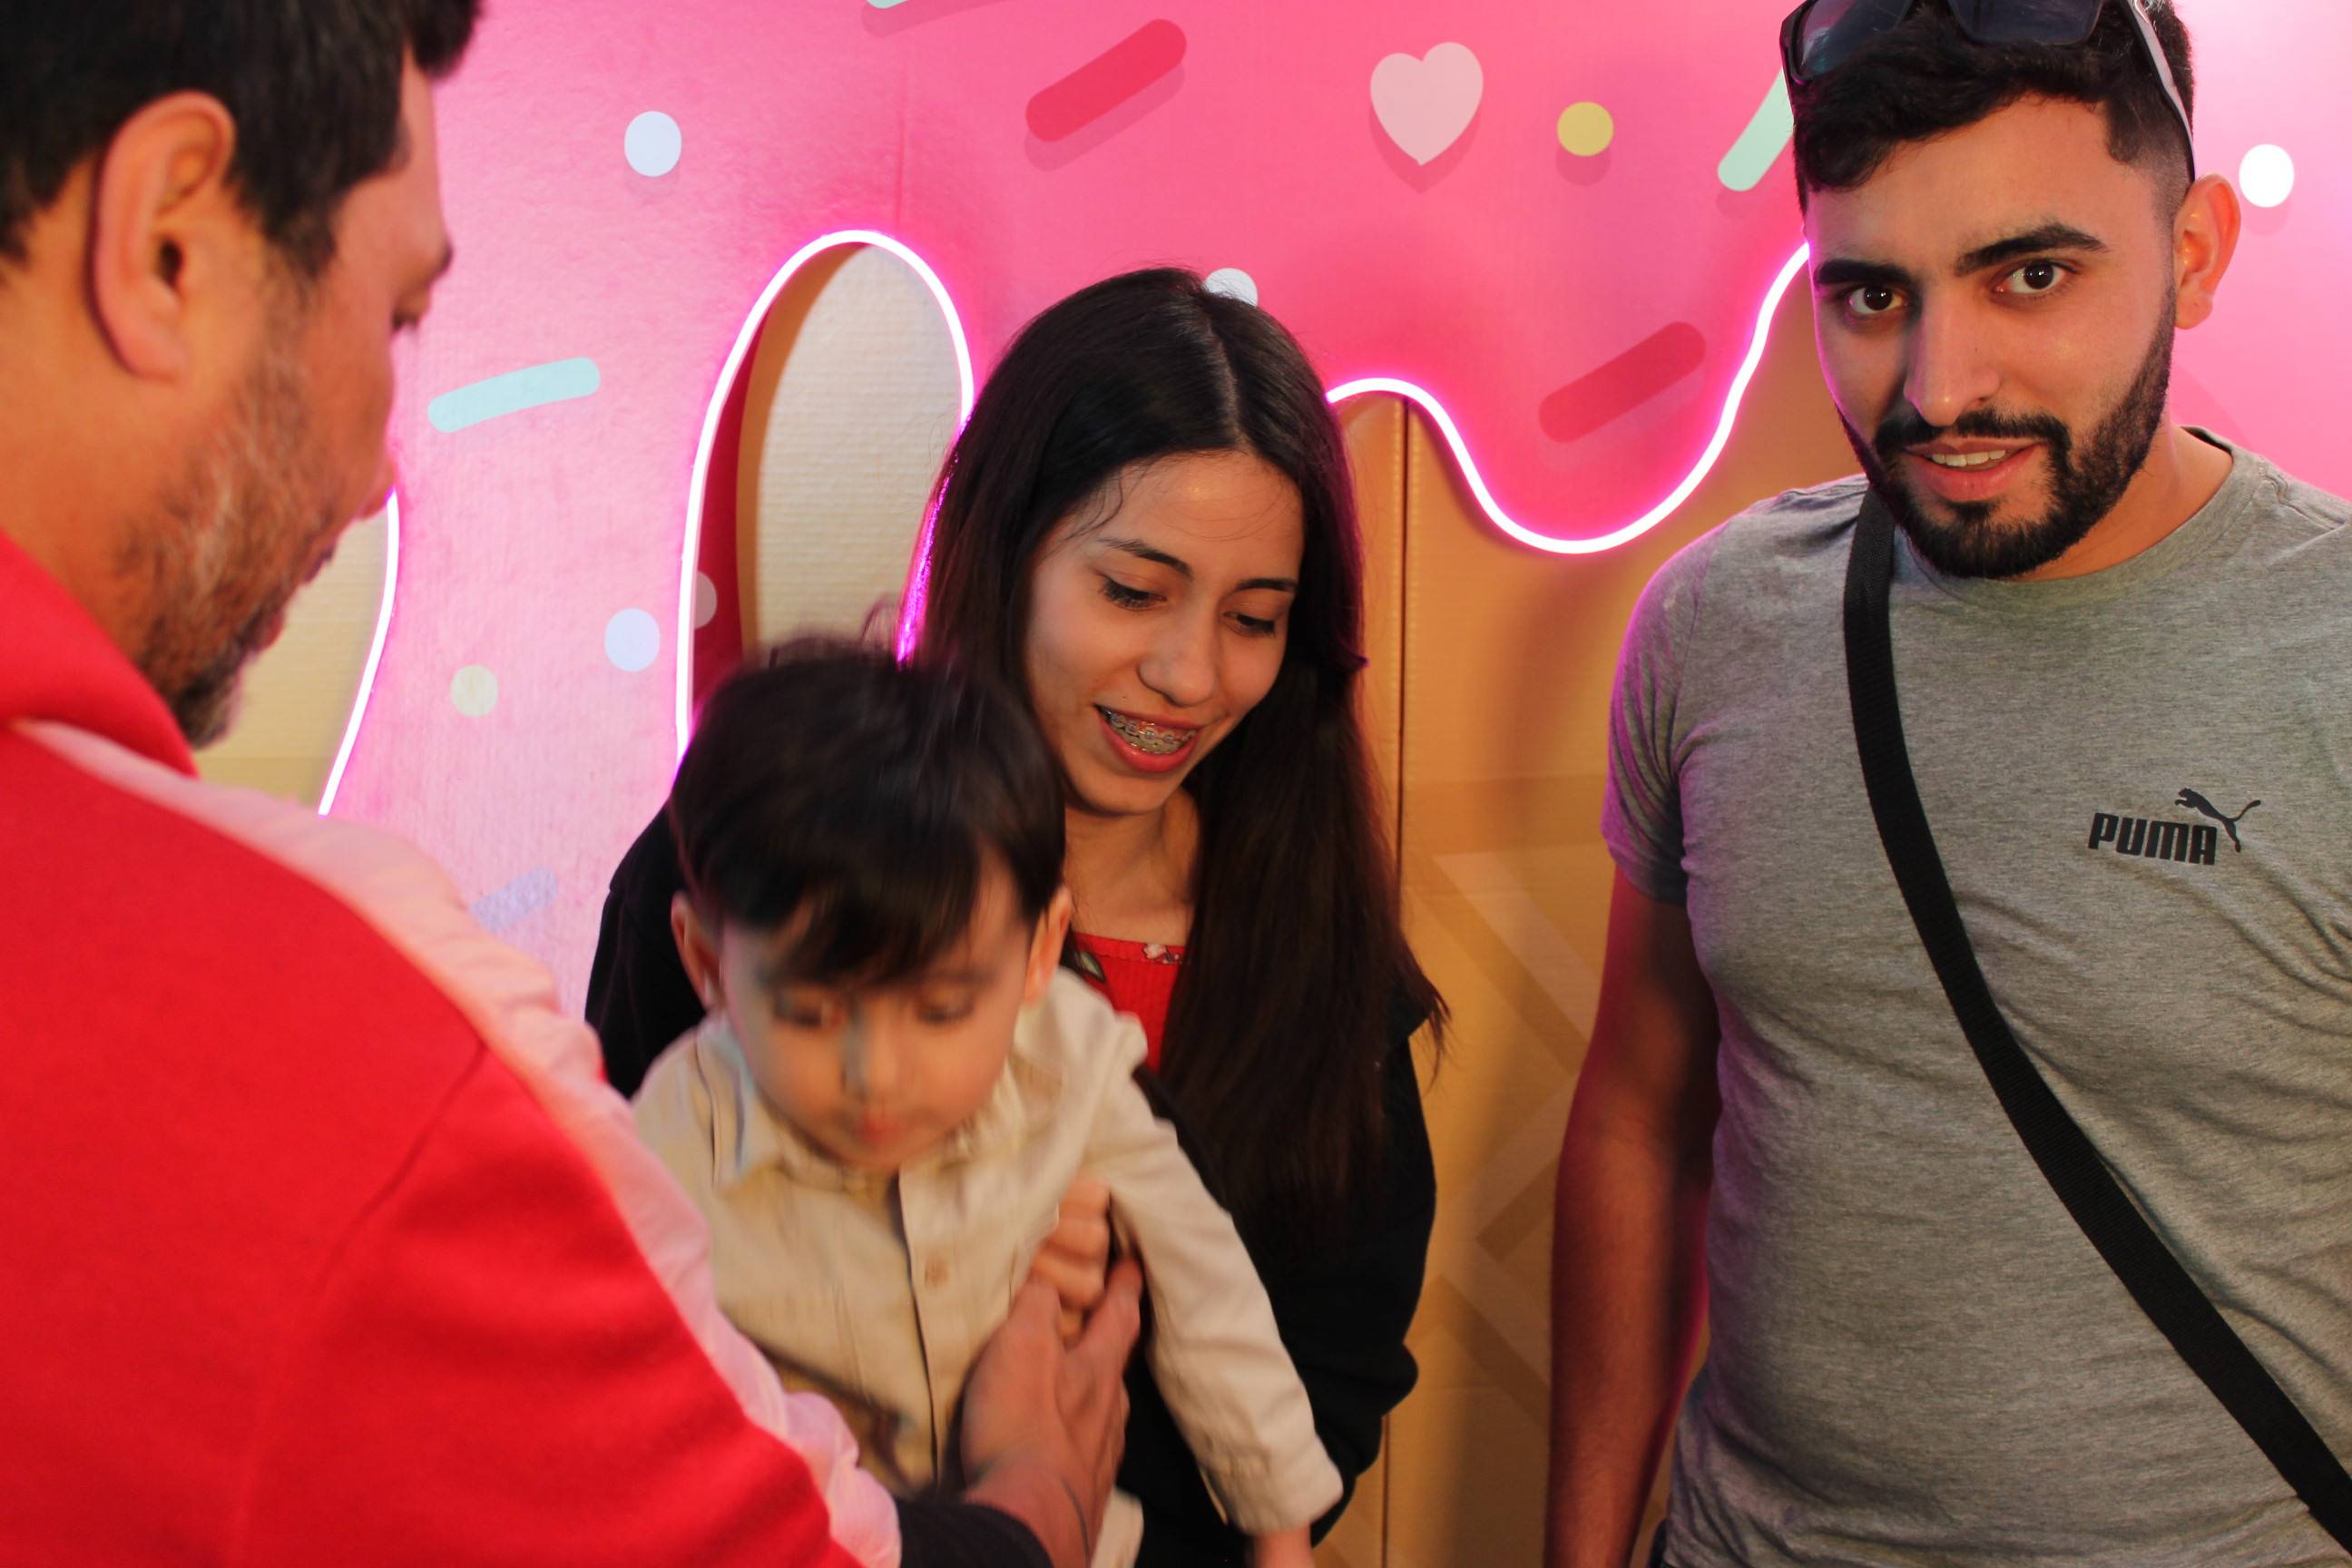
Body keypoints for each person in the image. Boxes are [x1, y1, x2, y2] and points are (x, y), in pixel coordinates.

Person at [0, 6, 1139, 1565]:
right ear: (167, 238)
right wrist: (1032, 1506)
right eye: (394, 314)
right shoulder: (360, 1010)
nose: (376, 473)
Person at [1545, 3, 2352, 1565]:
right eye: (1871, 293)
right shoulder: (1712, 624)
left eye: (2030, 275)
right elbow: (1640, 1115)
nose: (1940, 387)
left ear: (2192, 249)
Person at [590, 267, 1446, 1564]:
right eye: (1134, 592)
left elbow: (1334, 1379)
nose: (1190, 674)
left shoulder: (1311, 946)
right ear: (1010, 552)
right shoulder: (757, 867)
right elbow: (608, 1320)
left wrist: (1079, 1414)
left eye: (1254, 619)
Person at [636, 637, 1343, 1568]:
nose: (876, 1074)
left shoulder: (1070, 1063)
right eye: (810, 1013)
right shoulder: (670, 1138)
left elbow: (1206, 1287)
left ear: (1042, 950)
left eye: (941, 1011)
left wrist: (1280, 1534)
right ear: (707, 962)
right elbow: (636, 1405)